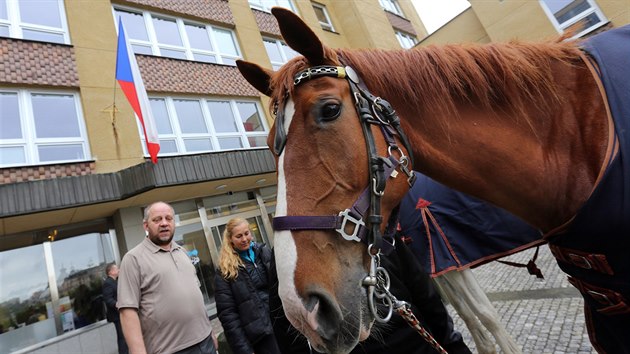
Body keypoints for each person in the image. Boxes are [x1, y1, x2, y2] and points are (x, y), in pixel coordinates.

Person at [269, 233, 473, 354]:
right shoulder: (286, 256)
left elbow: (425, 295)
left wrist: (453, 345)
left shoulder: (375, 230)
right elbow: (288, 330)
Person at [117, 201, 217, 354]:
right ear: (146, 226)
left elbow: (195, 296)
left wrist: (210, 331)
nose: (164, 223)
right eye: (157, 220)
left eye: (168, 218)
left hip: (205, 342)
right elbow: (127, 312)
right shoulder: (133, 259)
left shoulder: (182, 252)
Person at [214, 218, 280, 354]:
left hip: (281, 325)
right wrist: (244, 350)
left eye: (247, 233)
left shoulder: (264, 252)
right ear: (230, 239)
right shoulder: (225, 270)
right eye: (239, 236)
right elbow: (228, 315)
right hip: (261, 337)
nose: (244, 239)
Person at [103, 263, 129, 354]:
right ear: (111, 272)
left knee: (125, 335)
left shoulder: (115, 281)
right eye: (117, 269)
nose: (119, 270)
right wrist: (117, 304)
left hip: (120, 314)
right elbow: (108, 299)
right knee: (122, 336)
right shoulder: (108, 283)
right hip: (116, 315)